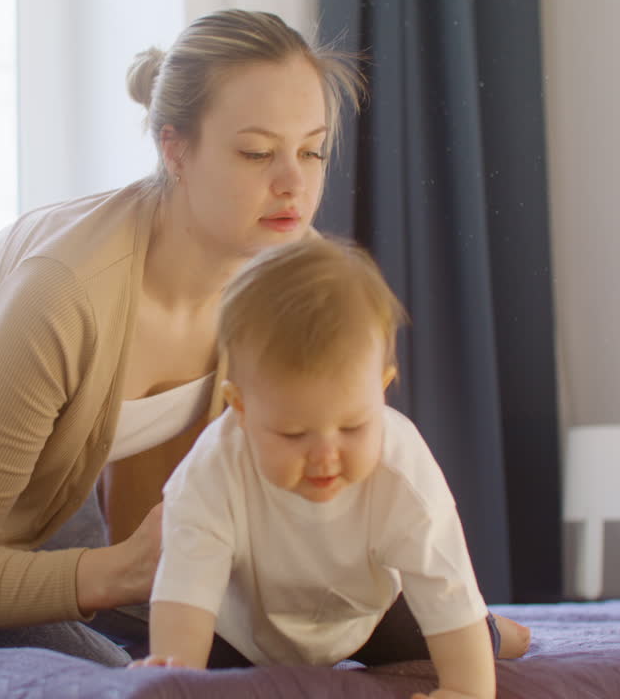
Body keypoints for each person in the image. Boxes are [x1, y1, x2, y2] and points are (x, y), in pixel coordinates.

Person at [0, 8, 529, 668]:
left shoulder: (284, 273)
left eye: (313, 150)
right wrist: (117, 572)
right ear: (175, 150)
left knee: (238, 646)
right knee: (108, 679)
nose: (294, 185)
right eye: (257, 153)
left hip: (47, 501)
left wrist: (429, 615)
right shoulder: (65, 292)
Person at [133, 237, 497, 699]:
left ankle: (501, 631)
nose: (326, 455)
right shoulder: (212, 470)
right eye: (293, 434)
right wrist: (175, 673)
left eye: (352, 427)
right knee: (165, 657)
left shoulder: (402, 471)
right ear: (240, 408)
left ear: (382, 390)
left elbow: (445, 587)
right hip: (243, 626)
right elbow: (185, 590)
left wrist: (465, 691)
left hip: (367, 614)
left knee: (469, 639)